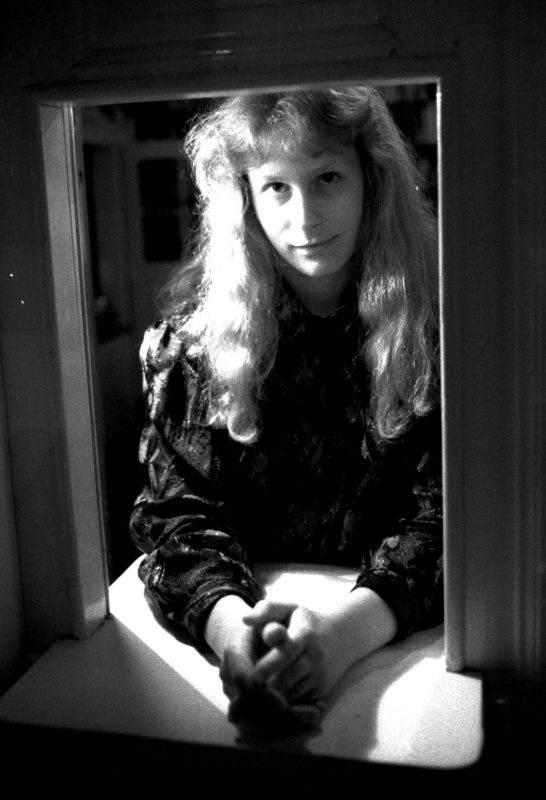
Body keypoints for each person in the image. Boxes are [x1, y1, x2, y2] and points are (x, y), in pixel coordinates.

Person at [130, 87, 443, 729]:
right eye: (276, 186)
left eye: (327, 177)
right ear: (244, 195)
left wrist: (340, 638)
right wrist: (234, 634)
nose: (304, 218)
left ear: (371, 180)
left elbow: (452, 520)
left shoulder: (440, 335)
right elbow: (176, 519)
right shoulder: (192, 350)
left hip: (414, 665)